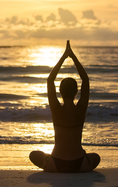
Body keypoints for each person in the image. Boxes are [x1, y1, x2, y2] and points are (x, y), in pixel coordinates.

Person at [29, 40, 100, 172]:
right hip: (79, 164)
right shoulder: (81, 108)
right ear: (76, 92)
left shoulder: (56, 109)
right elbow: (85, 79)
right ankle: (83, 162)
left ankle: (48, 162)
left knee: (33, 155)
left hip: (56, 164)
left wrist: (63, 57)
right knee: (96, 157)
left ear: (60, 92)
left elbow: (50, 79)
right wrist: (72, 57)